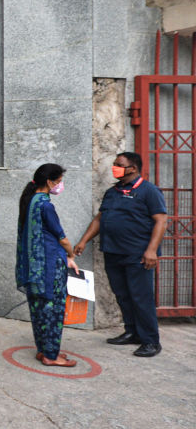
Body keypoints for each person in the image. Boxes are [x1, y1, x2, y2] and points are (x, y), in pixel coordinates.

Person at [74, 152, 167, 357]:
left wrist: (152, 250)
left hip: (137, 254)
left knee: (141, 298)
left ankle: (151, 341)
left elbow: (161, 221)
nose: (114, 167)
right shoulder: (113, 192)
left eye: (119, 164)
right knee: (123, 295)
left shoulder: (149, 191)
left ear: (132, 168)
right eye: (114, 164)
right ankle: (132, 332)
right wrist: (83, 240)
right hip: (113, 252)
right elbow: (99, 219)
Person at [16, 163, 80, 368]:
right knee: (53, 310)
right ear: (50, 182)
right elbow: (62, 238)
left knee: (38, 309)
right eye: (59, 181)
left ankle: (43, 350)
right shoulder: (46, 205)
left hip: (34, 266)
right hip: (49, 265)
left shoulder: (30, 199)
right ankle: (51, 355)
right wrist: (71, 254)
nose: (60, 185)